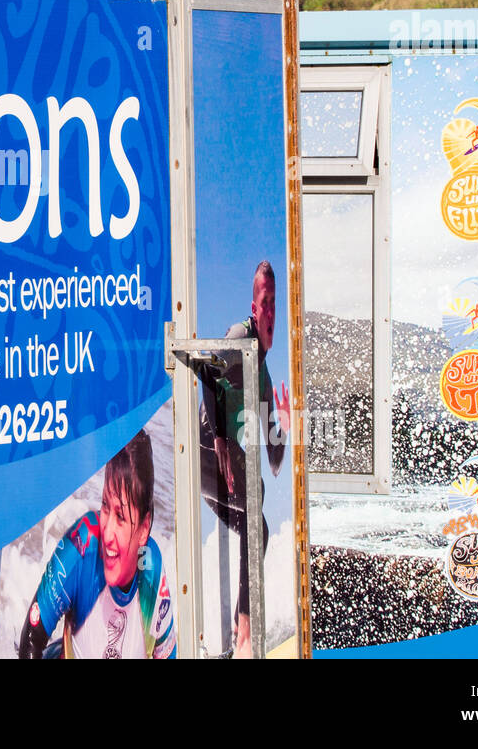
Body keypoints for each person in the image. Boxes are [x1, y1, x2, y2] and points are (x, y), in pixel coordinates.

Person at [197, 260, 289, 658]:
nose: (270, 313)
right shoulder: (241, 336)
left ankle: (239, 636)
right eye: (265, 303)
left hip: (225, 475)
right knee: (256, 503)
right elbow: (204, 366)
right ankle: (245, 635)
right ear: (253, 308)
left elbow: (274, 459)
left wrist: (282, 427)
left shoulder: (265, 380)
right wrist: (218, 436)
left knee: (260, 523)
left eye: (275, 305)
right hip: (205, 452)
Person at [18, 429, 175, 659]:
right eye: (105, 506)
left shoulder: (151, 570)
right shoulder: (83, 546)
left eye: (121, 517)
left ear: (144, 527)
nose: (108, 531)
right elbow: (31, 641)